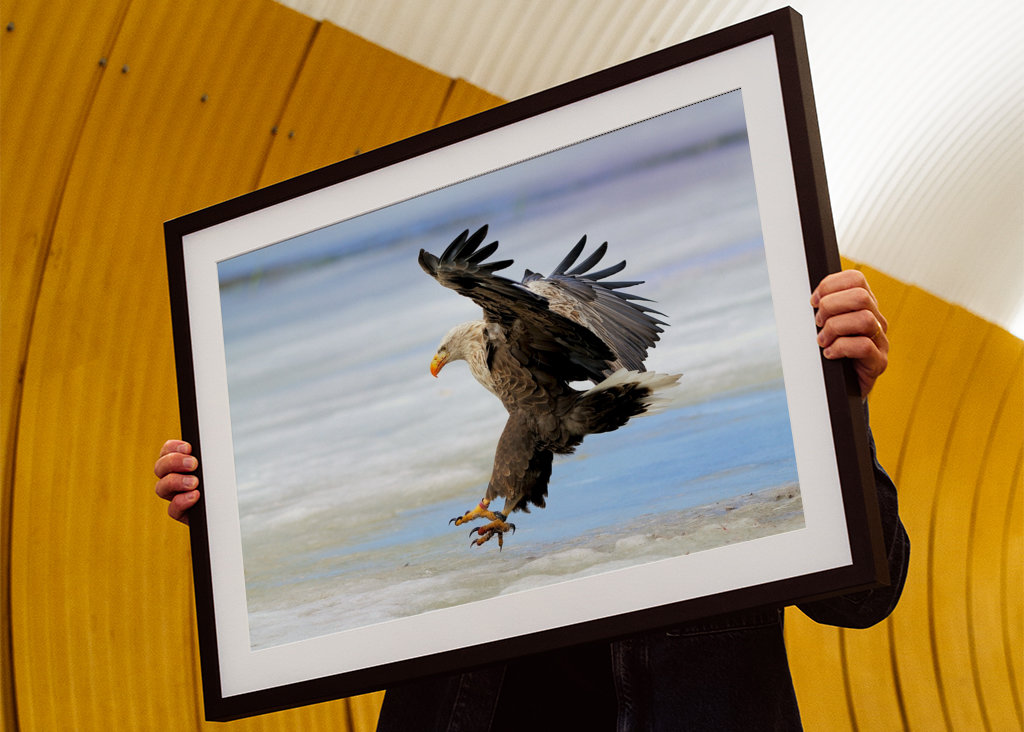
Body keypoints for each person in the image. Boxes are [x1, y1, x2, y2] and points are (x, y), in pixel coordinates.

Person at [154, 270, 908, 730]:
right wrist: (232, 521)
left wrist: (840, 406)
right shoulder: (516, 398)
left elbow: (864, 598)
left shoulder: (725, 471)